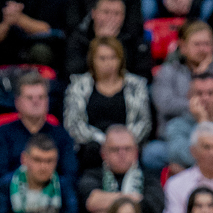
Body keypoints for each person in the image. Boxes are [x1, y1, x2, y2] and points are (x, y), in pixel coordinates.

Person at [148, 20, 213, 145]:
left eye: (207, 44)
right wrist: (205, 102)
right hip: (175, 137)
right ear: (183, 47)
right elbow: (164, 104)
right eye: (197, 44)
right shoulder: (167, 72)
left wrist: (207, 75)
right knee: (153, 152)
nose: (202, 49)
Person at [62, 36, 152, 166]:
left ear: (121, 59)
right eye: (102, 58)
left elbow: (144, 122)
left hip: (128, 145)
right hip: (91, 147)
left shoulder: (137, 85)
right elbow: (73, 124)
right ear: (92, 60)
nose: (108, 63)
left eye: (113, 57)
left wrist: (122, 142)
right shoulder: (78, 86)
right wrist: (103, 141)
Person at [77, 126, 166, 213]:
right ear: (103, 153)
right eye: (115, 149)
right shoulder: (91, 175)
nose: (122, 154)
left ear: (136, 152)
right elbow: (91, 201)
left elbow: (151, 208)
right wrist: (134, 200)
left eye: (127, 149)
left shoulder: (150, 178)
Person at [0, 74, 79, 182]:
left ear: (47, 101)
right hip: (13, 189)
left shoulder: (62, 136)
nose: (36, 102)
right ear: (17, 102)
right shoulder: (3, 134)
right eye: (29, 97)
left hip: (53, 190)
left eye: (41, 97)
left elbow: (70, 175)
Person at [162, 75, 213, 173]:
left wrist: (203, 122)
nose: (205, 98)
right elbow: (178, 157)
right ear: (189, 97)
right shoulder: (175, 126)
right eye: (199, 93)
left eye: (210, 93)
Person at [0, 0, 65, 75]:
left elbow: (46, 30)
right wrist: (7, 23)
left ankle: (40, 86)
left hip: (31, 46)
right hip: (0, 48)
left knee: (41, 51)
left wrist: (19, 18)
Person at [65, 0, 151, 80]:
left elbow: (143, 74)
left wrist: (115, 43)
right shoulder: (79, 38)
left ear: (123, 16)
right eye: (106, 12)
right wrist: (98, 42)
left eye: (117, 13)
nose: (111, 18)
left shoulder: (133, 39)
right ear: (94, 13)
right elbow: (73, 71)